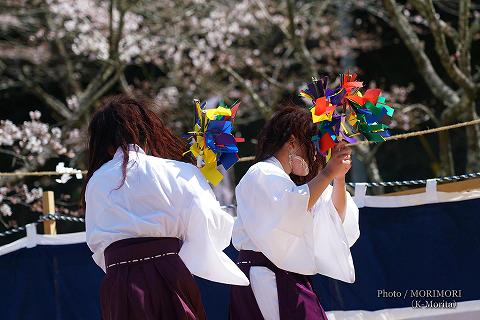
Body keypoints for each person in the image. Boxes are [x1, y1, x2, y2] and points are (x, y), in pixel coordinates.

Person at [83, 94, 249, 320]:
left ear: (107, 145)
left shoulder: (95, 182)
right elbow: (209, 222)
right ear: (146, 135)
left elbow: (97, 244)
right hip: (168, 272)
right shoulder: (177, 171)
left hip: (119, 279)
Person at [230, 104, 360, 320]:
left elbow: (335, 217)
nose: (314, 153)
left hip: (285, 278)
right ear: (292, 142)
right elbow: (289, 211)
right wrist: (327, 173)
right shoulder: (262, 172)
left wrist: (338, 177)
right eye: (310, 144)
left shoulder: (292, 184)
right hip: (266, 278)